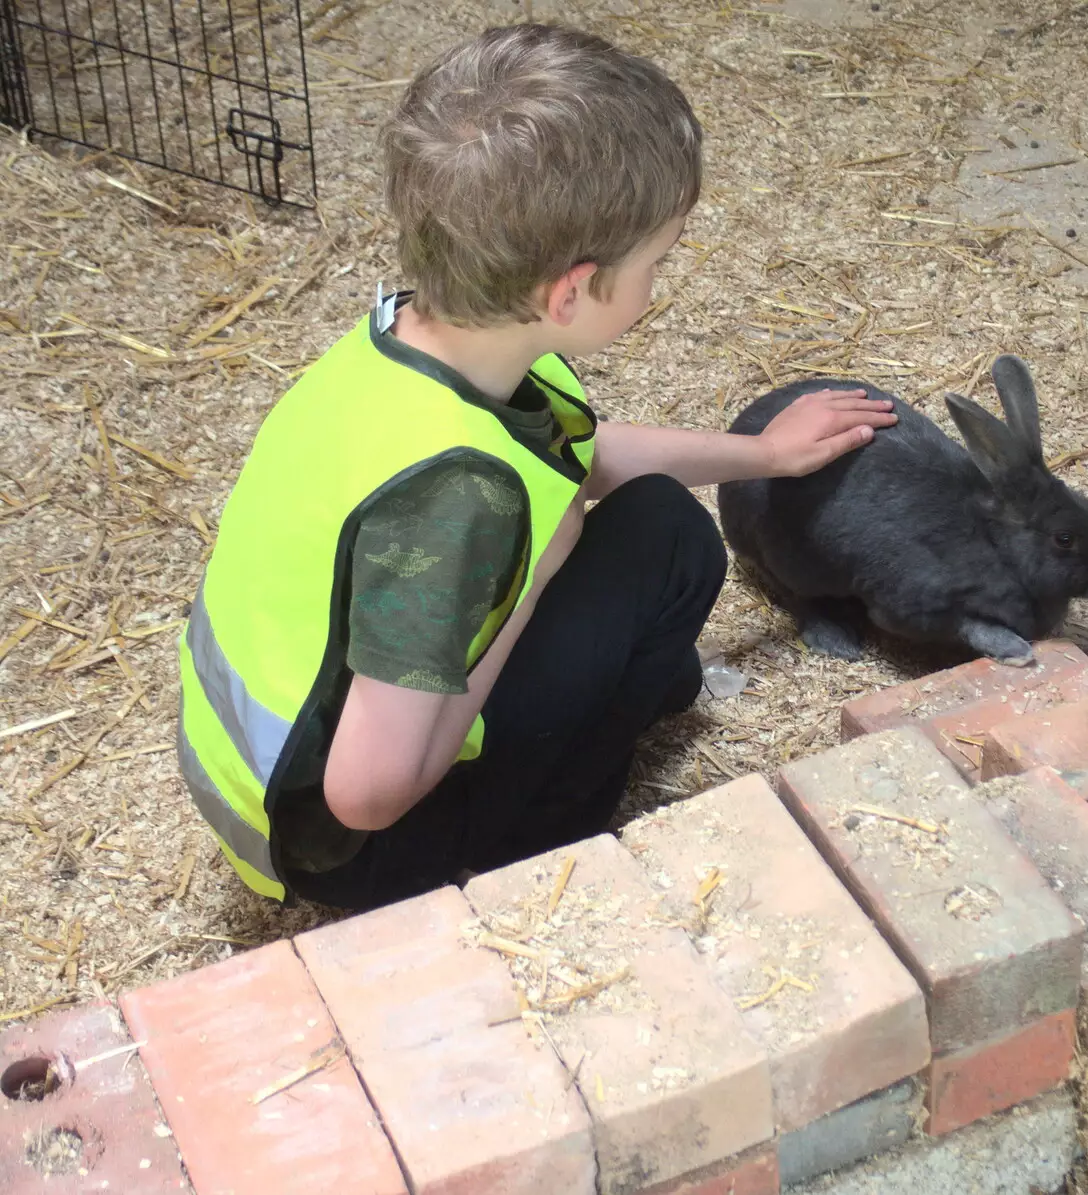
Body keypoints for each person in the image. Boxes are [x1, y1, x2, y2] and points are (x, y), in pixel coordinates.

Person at [176, 22, 896, 912]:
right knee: (672, 540)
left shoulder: (408, 345)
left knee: (651, 524)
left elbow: (586, 458)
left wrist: (770, 454)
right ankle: (536, 835)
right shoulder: (454, 498)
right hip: (346, 850)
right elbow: (367, 791)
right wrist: (538, 573)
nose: (657, 284)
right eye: (656, 263)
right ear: (569, 292)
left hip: (265, 764)